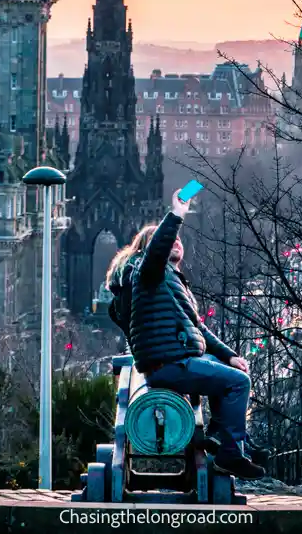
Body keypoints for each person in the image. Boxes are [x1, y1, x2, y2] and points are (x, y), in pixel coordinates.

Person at [105, 188, 267, 480]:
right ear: (150, 250)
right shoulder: (149, 273)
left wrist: (229, 355)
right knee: (238, 383)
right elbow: (157, 250)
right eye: (170, 240)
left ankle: (225, 439)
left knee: (226, 373)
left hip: (174, 359)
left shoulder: (168, 281)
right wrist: (177, 213)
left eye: (179, 239)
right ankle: (231, 454)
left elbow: (198, 327)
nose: (176, 241)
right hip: (169, 363)